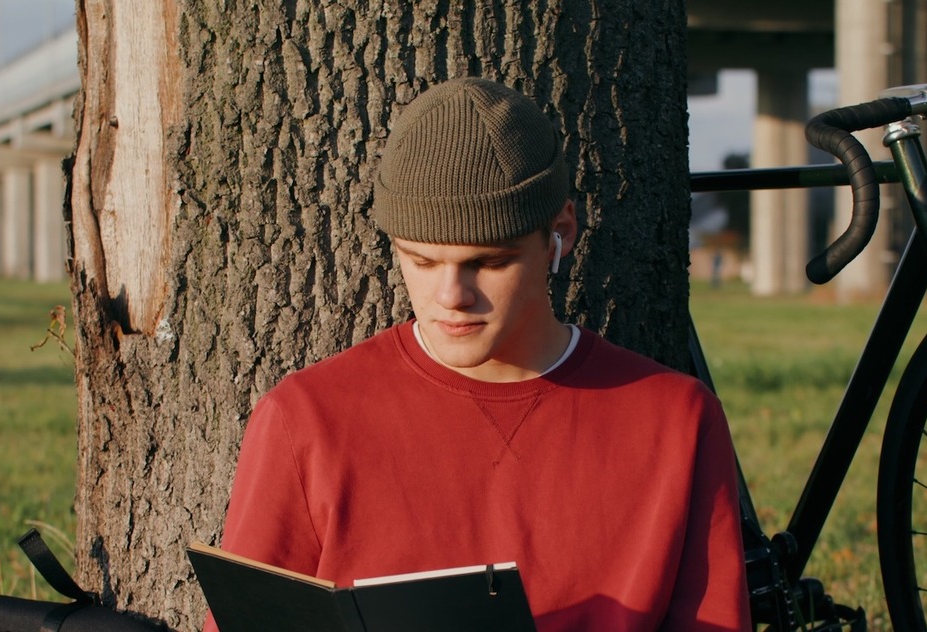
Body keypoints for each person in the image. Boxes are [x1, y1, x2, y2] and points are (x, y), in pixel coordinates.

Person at [209, 77, 750, 631]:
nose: (451, 297)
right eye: (420, 261)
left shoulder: (674, 419)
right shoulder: (306, 419)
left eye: (489, 263)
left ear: (559, 233)